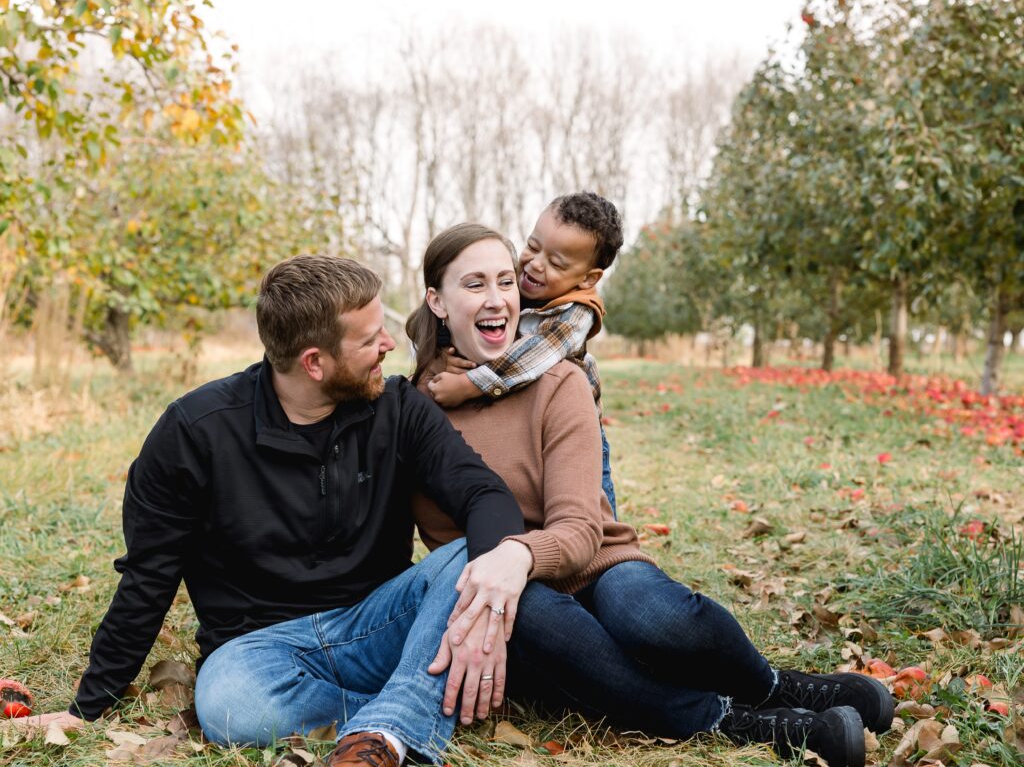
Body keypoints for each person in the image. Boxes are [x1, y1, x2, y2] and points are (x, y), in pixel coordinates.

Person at [13, 255, 535, 767]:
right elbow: (149, 576)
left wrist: (495, 587)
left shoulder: (397, 407)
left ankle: (387, 730)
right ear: (315, 362)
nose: (389, 345)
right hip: (261, 652)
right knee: (226, 703)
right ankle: (413, 707)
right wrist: (87, 707)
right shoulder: (195, 433)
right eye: (370, 338)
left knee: (479, 553)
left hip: (380, 624)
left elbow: (483, 495)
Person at [406, 223, 895, 767]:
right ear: (437, 301)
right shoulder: (414, 414)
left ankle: (774, 687)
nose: (498, 298)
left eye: (504, 281)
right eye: (474, 285)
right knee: (540, 618)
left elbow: (580, 527)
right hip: (515, 606)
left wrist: (520, 553)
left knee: (651, 617)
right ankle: (736, 721)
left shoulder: (557, 382)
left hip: (596, 562)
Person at [424, 192, 621, 516]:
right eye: (533, 246)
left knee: (592, 509)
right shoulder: (513, 286)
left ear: (587, 278)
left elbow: (532, 356)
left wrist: (469, 384)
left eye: (556, 263)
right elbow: (443, 321)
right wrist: (438, 359)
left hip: (575, 431)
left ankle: (603, 546)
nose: (535, 264)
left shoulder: (576, 314)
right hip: (521, 422)